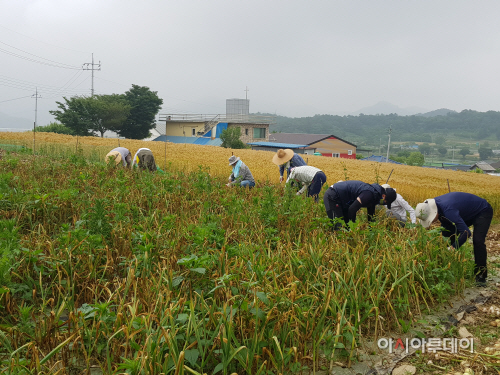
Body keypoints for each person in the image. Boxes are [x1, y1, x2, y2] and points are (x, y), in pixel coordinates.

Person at [415, 192, 493, 286]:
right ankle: (449, 268)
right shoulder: (434, 207)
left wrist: (453, 248)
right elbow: (447, 232)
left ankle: (481, 275)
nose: (432, 222)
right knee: (447, 235)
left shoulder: (448, 210)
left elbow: (466, 233)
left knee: (478, 240)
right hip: (466, 213)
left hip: (482, 210)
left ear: (434, 212)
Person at [323, 180, 397, 230]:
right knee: (338, 225)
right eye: (385, 201)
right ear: (383, 196)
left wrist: (372, 228)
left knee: (345, 226)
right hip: (333, 195)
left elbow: (370, 215)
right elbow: (352, 209)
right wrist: (353, 227)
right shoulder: (369, 194)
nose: (383, 203)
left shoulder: (375, 195)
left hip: (343, 200)